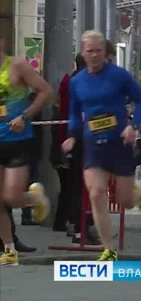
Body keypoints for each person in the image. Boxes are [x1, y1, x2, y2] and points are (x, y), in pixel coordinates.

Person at [61, 30, 141, 261]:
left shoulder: (119, 76)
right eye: (89, 51)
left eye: (98, 51)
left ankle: (134, 193)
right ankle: (108, 249)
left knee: (125, 201)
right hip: (93, 144)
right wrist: (72, 135)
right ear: (82, 53)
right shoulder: (76, 82)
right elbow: (74, 113)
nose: (94, 55)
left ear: (106, 52)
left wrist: (134, 125)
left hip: (120, 142)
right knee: (97, 193)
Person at [0, 36, 54, 266]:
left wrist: (25, 116)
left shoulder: (17, 66)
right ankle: (9, 249)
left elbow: (46, 91)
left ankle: (35, 197)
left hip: (17, 140)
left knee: (11, 196)